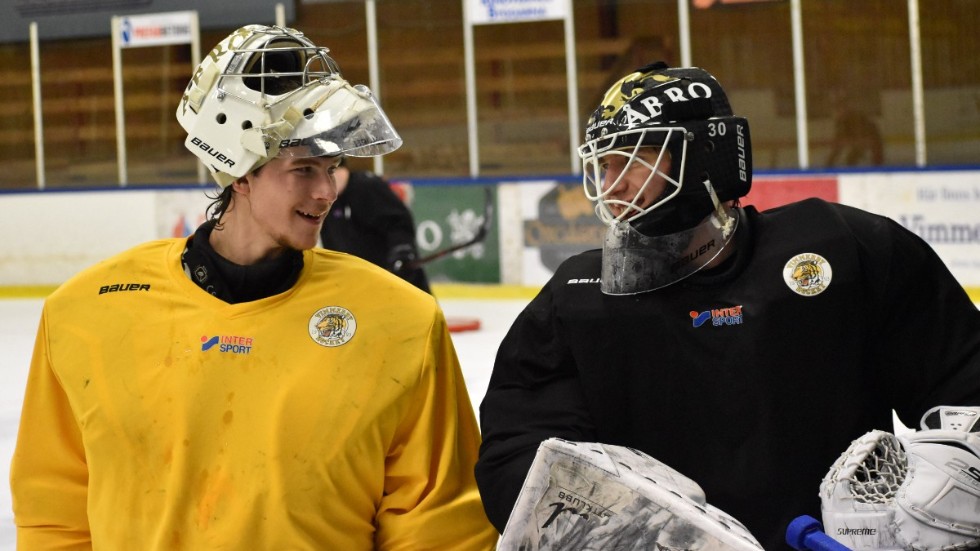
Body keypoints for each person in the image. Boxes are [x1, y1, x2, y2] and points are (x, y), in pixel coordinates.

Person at [10, 25, 497, 550]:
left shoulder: (401, 321)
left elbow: (438, 525)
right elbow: (54, 516)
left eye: (333, 167)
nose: (327, 191)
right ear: (238, 174)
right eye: (304, 169)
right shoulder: (85, 313)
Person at [474, 62, 980, 550]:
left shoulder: (848, 249)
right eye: (603, 164)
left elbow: (963, 384)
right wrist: (606, 530)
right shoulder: (580, 295)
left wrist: (948, 484)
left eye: (632, 158)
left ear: (706, 156)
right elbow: (520, 447)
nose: (612, 185)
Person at [320, 158, 431, 293]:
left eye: (330, 173)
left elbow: (398, 221)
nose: (325, 184)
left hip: (397, 281)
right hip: (362, 286)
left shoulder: (367, 185)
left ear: (340, 169)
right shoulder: (328, 201)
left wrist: (402, 250)